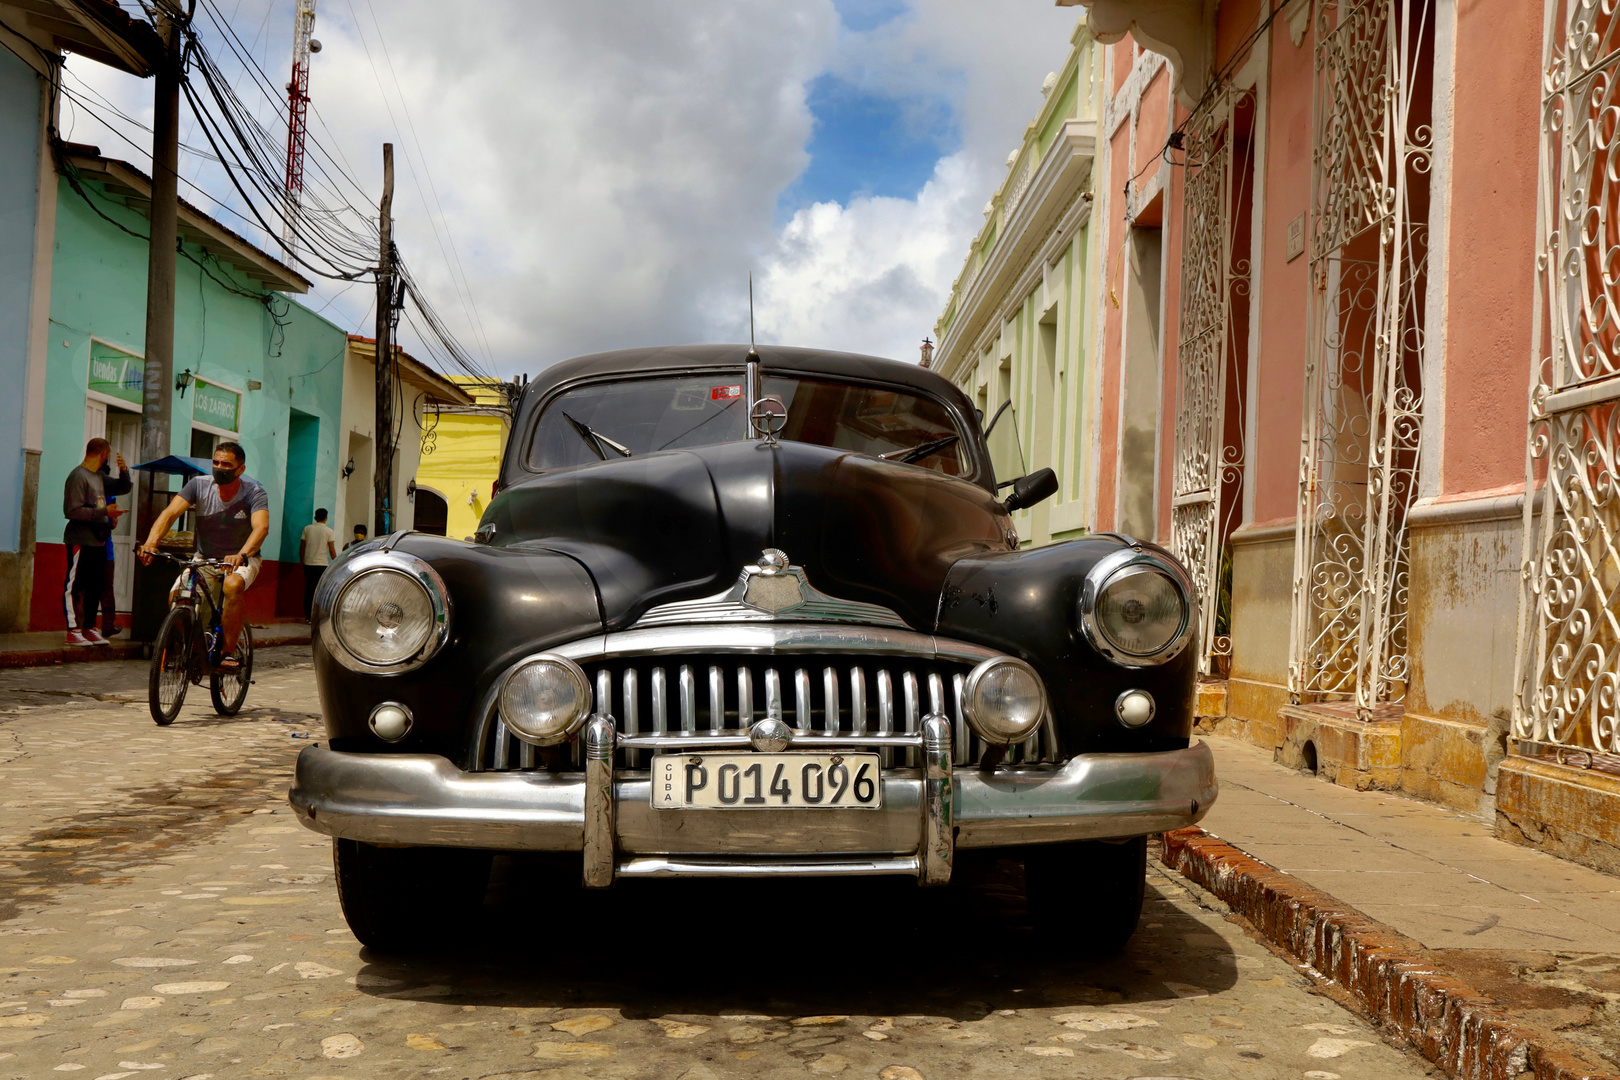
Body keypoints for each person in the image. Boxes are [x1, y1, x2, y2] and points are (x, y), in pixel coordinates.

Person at [138, 442, 269, 671]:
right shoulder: (198, 485)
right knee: (177, 599)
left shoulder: (254, 492)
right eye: (216, 462)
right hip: (205, 558)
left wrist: (241, 554)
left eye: (226, 464)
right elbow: (170, 513)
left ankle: (227, 652)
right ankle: (197, 647)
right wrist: (151, 543)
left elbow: (261, 528)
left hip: (242, 559)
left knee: (233, 584)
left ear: (240, 469)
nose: (219, 468)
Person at [62, 439, 131, 646]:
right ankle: (72, 629)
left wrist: (124, 470)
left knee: (95, 586)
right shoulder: (78, 476)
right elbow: (72, 511)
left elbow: (122, 487)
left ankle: (90, 627)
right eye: (107, 455)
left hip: (99, 541)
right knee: (75, 586)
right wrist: (104, 512)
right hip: (80, 541)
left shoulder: (99, 476)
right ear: (103, 454)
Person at [299, 508, 337, 621]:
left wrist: (302, 561)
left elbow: (302, 548)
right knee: (319, 591)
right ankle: (317, 616)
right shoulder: (329, 531)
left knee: (309, 590)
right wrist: (335, 563)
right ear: (326, 518)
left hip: (308, 564)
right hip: (322, 565)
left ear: (315, 517)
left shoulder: (307, 529)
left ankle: (308, 617)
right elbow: (331, 550)